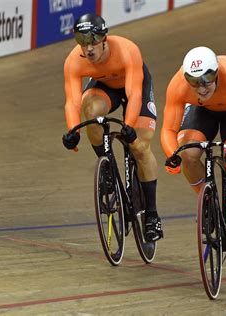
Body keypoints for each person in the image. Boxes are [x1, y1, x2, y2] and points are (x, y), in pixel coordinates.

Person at [61, 13, 163, 242]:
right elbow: (72, 101)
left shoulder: (127, 50)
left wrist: (128, 126)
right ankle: (107, 169)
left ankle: (152, 216)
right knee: (91, 114)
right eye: (82, 41)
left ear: (104, 38)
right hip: (104, 88)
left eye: (92, 41)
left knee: (140, 148)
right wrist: (73, 131)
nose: (87, 49)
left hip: (135, 85)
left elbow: (135, 93)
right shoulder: (73, 60)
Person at [161, 46, 226, 266]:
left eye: (207, 79)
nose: (200, 88)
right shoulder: (179, 85)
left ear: (216, 73)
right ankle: (207, 201)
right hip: (202, 112)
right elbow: (168, 130)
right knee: (188, 154)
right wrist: (172, 155)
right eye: (194, 81)